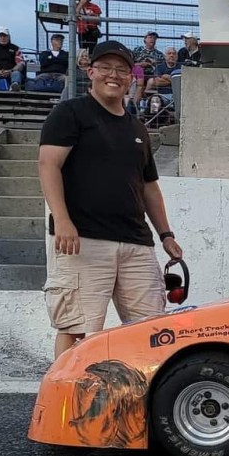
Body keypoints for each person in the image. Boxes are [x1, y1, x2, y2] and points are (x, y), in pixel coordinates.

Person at [38, 40, 185, 358]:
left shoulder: (138, 128)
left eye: (121, 69)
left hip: (136, 243)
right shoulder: (69, 113)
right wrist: (62, 220)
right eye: (105, 67)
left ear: (132, 77)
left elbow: (149, 187)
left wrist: (166, 234)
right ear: (90, 71)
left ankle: (143, 390)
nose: (113, 75)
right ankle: (66, 389)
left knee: (153, 332)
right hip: (82, 240)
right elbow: (48, 164)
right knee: (75, 329)